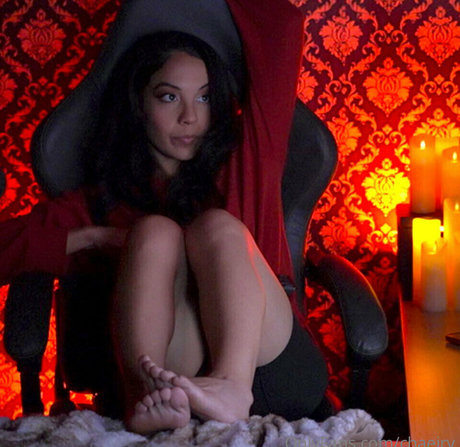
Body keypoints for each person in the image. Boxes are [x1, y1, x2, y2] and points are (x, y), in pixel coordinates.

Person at [0, 0, 328, 435]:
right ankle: (145, 396)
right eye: (169, 97)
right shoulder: (100, 201)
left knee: (213, 227)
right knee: (155, 232)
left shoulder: (246, 164)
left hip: (269, 373)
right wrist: (93, 237)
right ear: (139, 105)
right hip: (165, 387)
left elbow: (282, 27)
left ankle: (231, 385)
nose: (190, 117)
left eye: (204, 97)